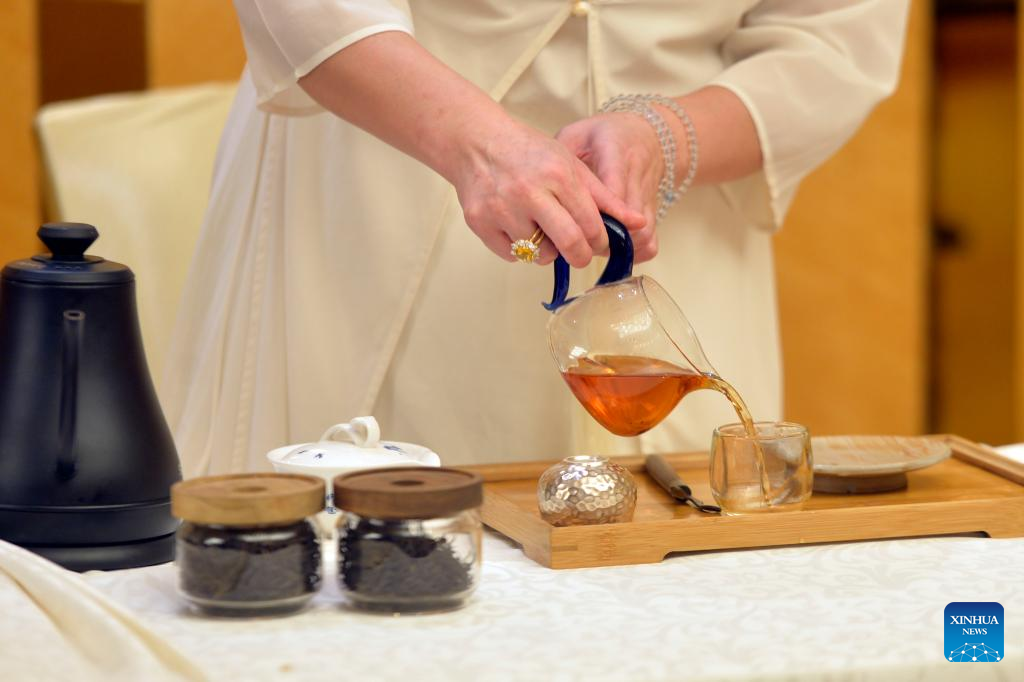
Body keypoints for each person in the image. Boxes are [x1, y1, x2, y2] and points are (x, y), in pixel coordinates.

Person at [164, 0, 910, 476]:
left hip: (673, 235)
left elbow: (836, 36)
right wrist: (475, 143)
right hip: (371, 185)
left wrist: (667, 137)